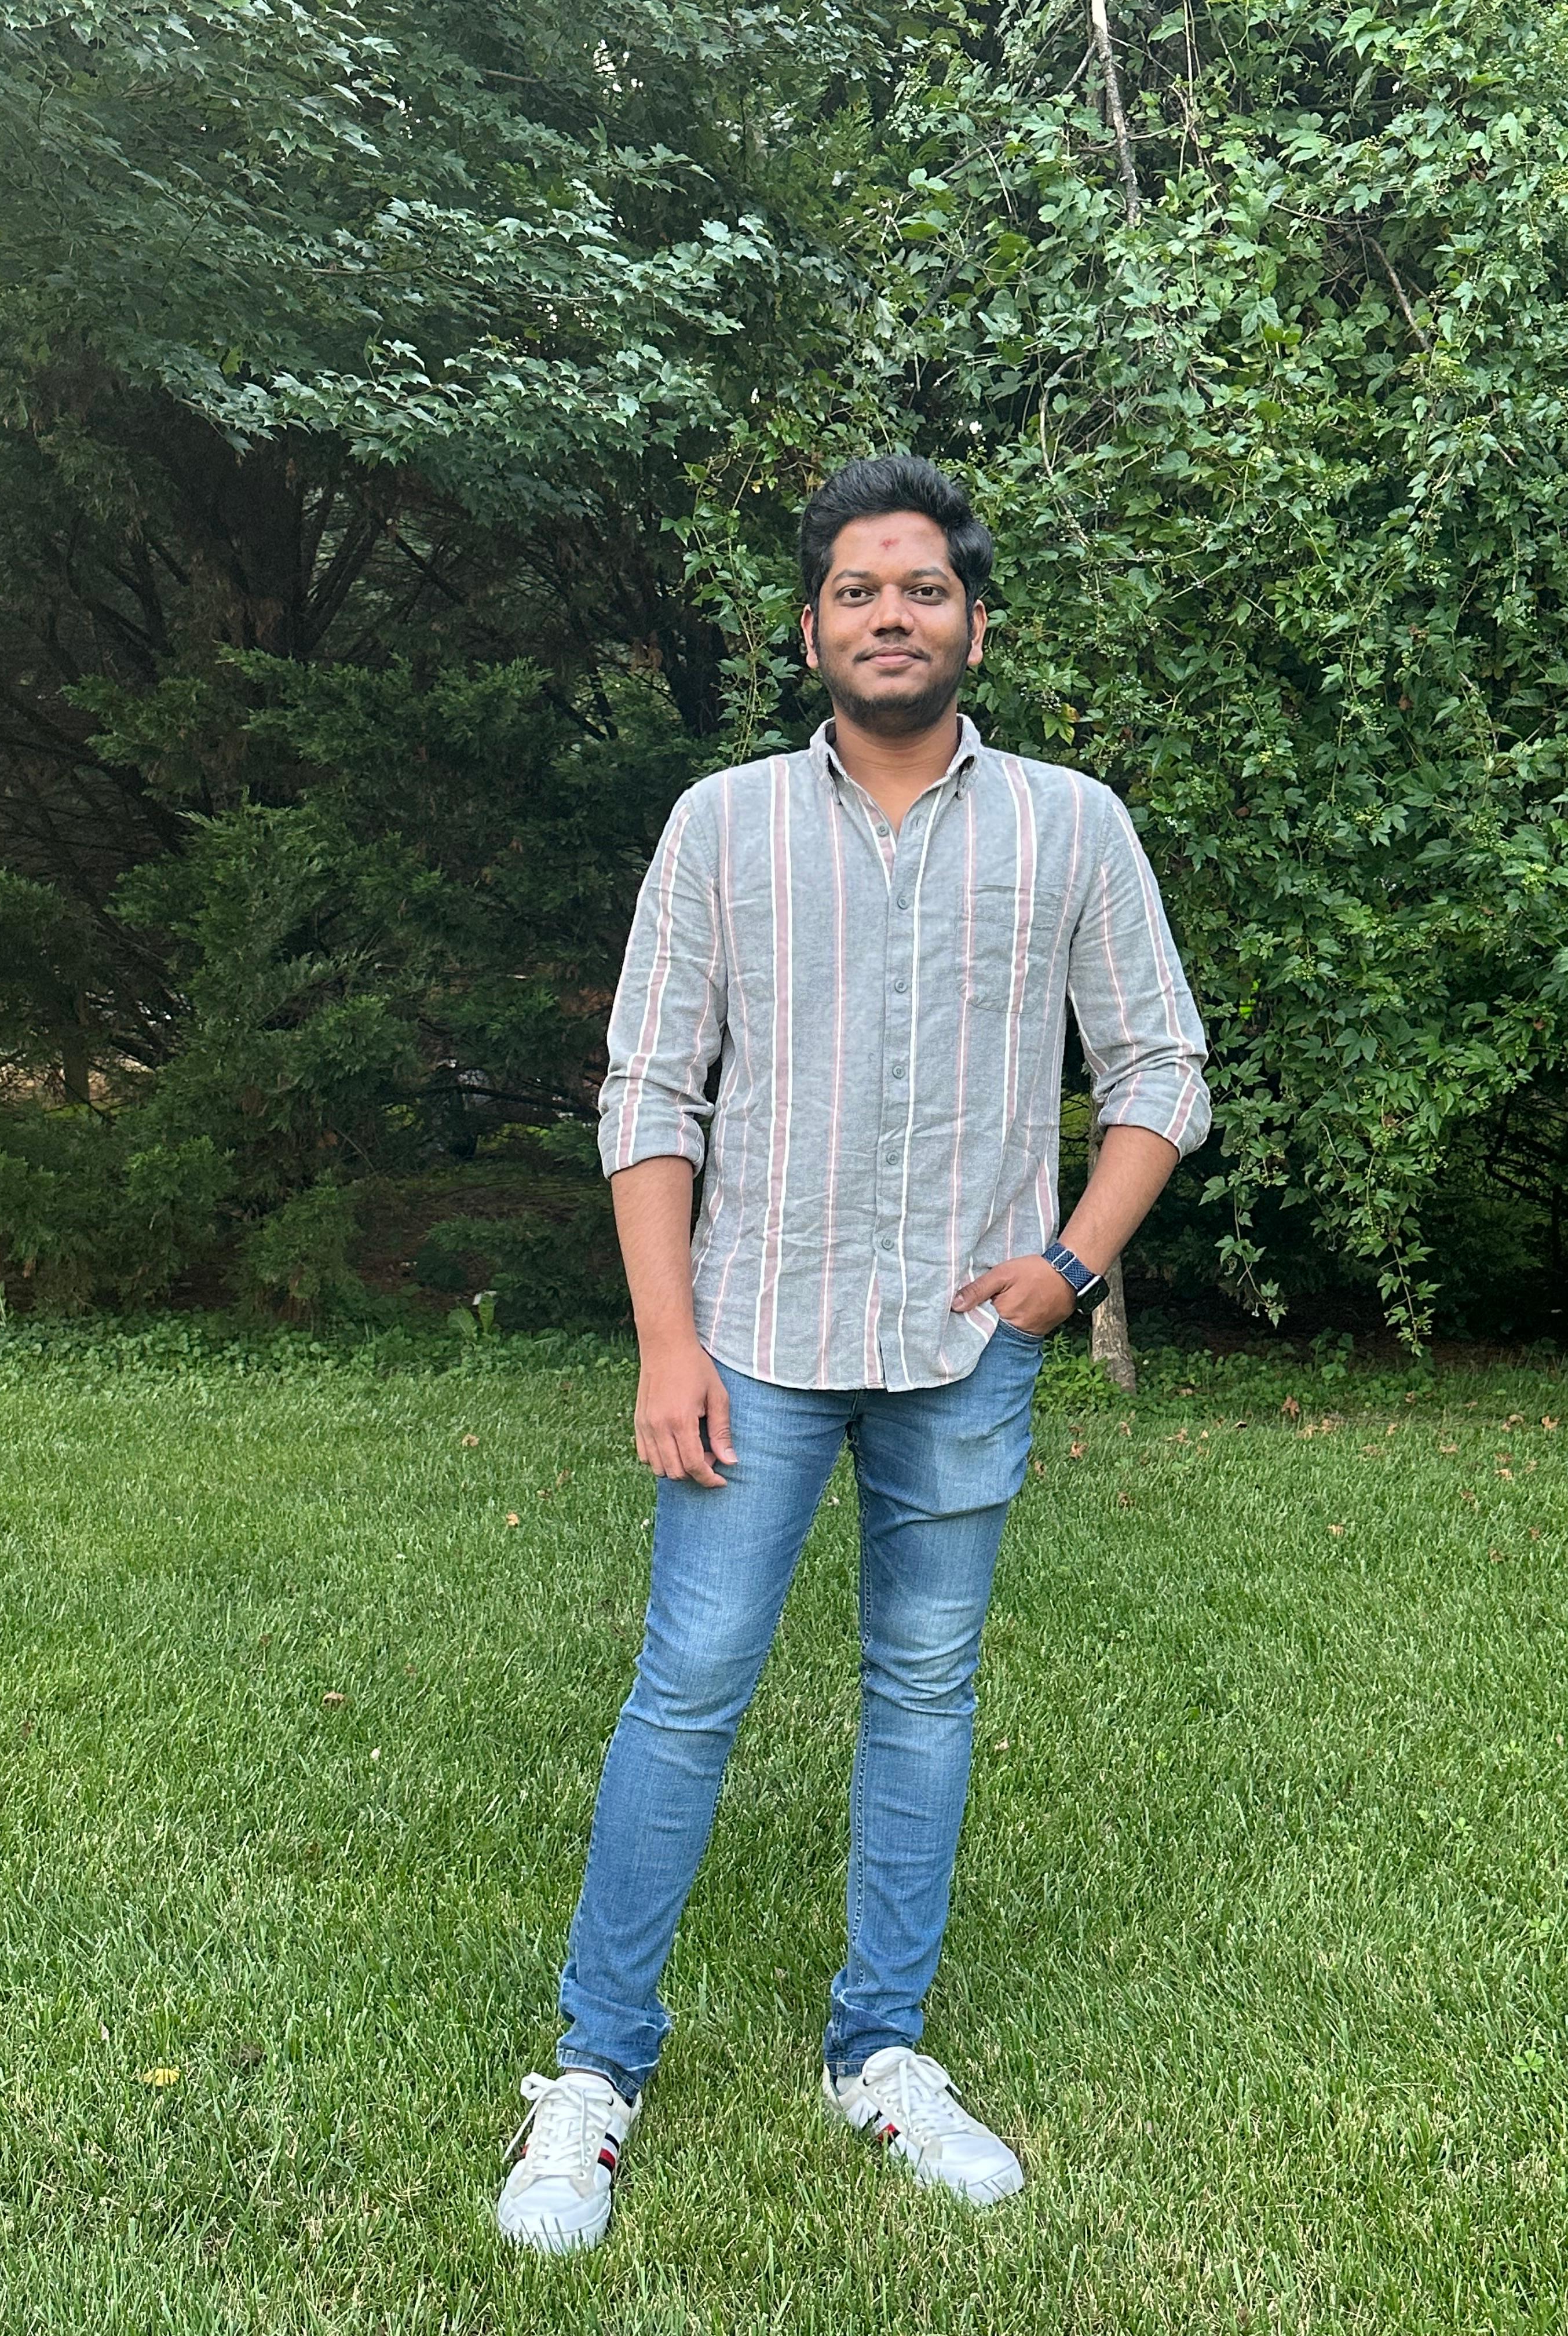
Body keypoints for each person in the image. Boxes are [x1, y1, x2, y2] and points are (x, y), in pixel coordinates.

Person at [497, 454, 1211, 2253]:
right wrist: (668, 1341)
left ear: (977, 624)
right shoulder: (722, 827)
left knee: (924, 1690)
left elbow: (1160, 1071)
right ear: (811, 628)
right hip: (753, 1339)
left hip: (967, 1350)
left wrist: (1073, 1264)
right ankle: (593, 2071)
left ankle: (880, 2050)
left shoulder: (1071, 828)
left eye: (923, 587)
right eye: (857, 590)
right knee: (690, 1686)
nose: (891, 614)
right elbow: (649, 1092)